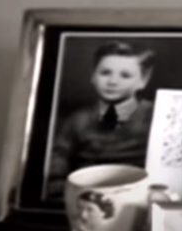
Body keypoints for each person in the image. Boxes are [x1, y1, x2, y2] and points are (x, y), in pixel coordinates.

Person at [46, 42, 155, 198]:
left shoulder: (155, 115)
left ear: (143, 81)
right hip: (86, 194)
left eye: (125, 75)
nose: (112, 82)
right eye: (105, 73)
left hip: (139, 194)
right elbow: (58, 157)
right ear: (93, 76)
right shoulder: (78, 120)